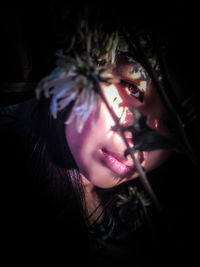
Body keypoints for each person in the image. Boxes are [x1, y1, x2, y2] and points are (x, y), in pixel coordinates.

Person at [1, 3, 199, 267]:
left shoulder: (148, 228)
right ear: (84, 63)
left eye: (172, 124)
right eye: (133, 89)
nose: (140, 139)